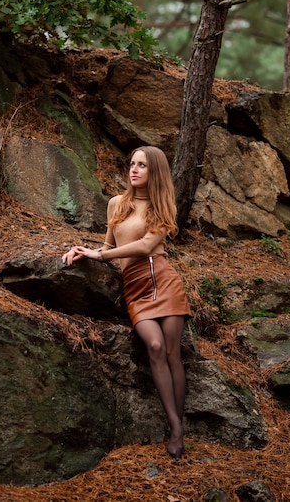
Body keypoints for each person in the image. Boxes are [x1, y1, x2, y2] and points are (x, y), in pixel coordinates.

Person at [62, 145, 191, 460]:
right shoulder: (115, 204)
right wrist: (84, 252)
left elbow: (146, 246)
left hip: (164, 281)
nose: (133, 169)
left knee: (172, 354)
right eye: (132, 164)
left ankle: (177, 430)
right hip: (135, 288)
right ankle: (174, 422)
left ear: (154, 172)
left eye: (142, 165)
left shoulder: (163, 208)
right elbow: (108, 247)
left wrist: (100, 254)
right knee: (156, 347)